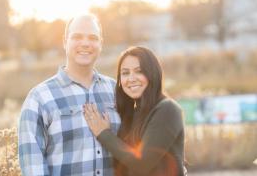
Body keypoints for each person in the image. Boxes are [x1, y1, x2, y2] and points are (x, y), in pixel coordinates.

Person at [18, 14, 121, 176]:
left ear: (101, 44)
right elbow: (33, 168)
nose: (86, 43)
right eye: (77, 37)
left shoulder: (117, 91)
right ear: (65, 42)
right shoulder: (39, 98)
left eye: (93, 38)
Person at [84, 46, 186, 176]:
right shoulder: (132, 113)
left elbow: (142, 164)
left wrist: (103, 133)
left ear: (152, 73)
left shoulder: (168, 109)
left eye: (139, 71)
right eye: (125, 73)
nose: (131, 78)